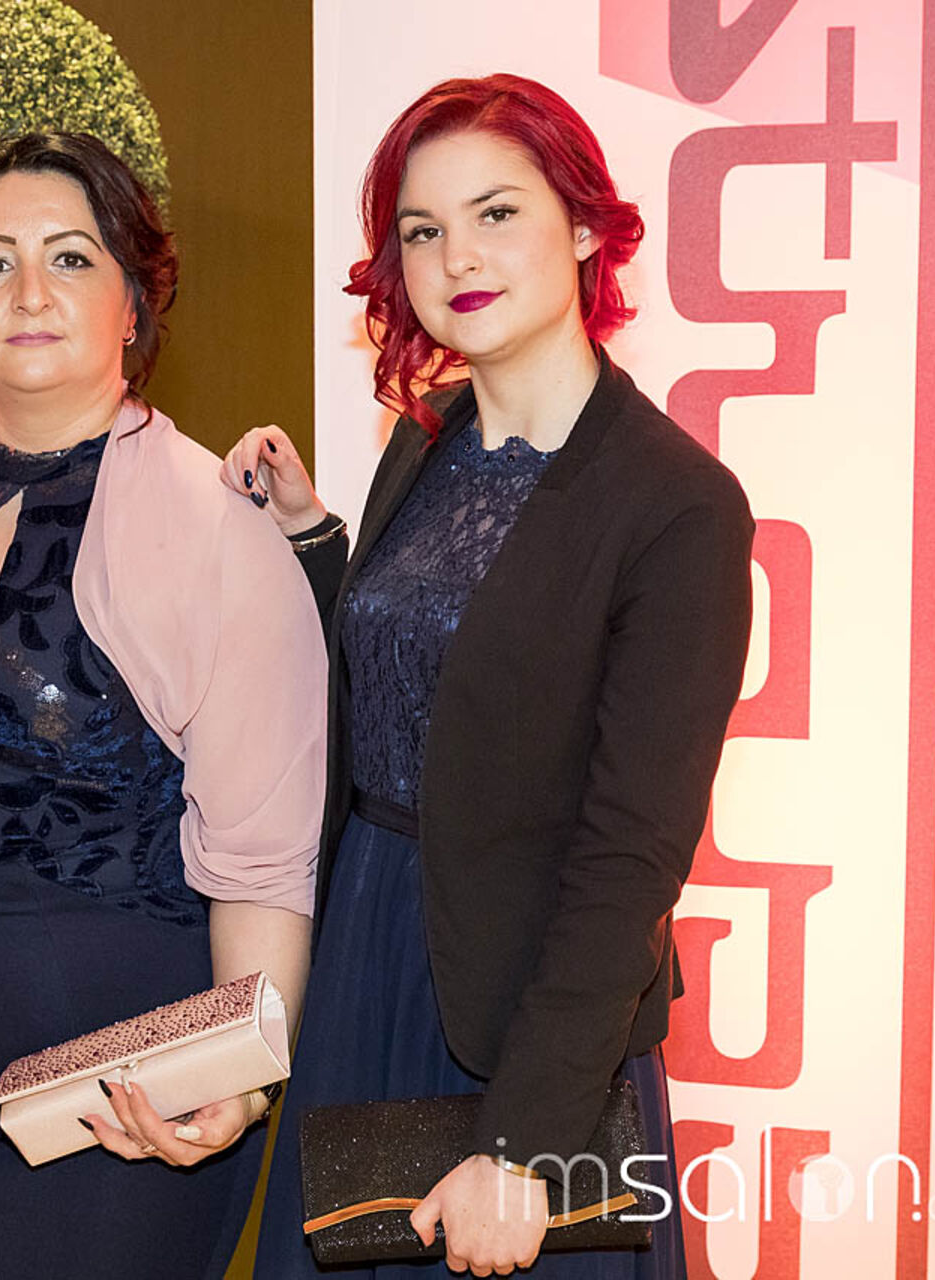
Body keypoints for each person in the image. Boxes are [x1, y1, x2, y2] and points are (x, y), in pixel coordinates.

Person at [225, 75, 754, 1278]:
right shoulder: (429, 437)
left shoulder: (678, 505)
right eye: (422, 229)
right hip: (368, 948)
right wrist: (315, 540)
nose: (456, 255)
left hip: (531, 1016)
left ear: (585, 228)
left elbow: (631, 857)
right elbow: (434, 672)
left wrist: (525, 1144)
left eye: (497, 213)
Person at [0, 131, 326, 1278]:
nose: (29, 291)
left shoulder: (220, 531)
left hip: (116, 1125)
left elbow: (264, 864)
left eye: (69, 257)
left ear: (133, 303)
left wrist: (241, 1080)